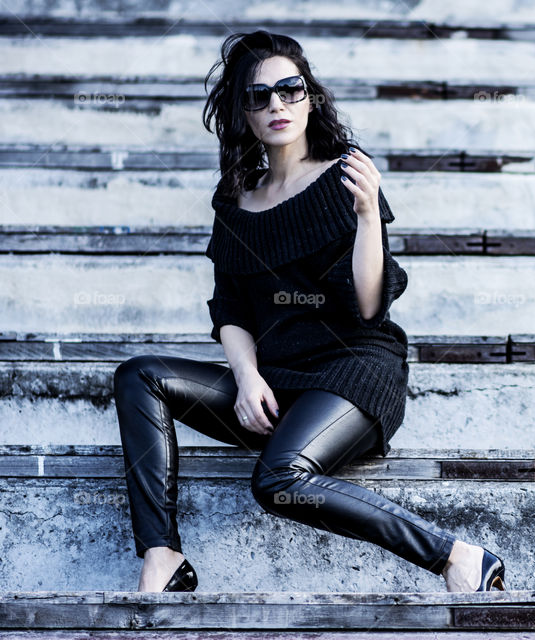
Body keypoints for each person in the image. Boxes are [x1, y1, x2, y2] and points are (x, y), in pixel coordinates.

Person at [113, 30, 506, 594]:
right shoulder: (235, 198)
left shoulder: (346, 175)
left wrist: (369, 216)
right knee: (140, 376)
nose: (276, 104)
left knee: (278, 479)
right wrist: (246, 379)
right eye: (259, 96)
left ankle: (456, 557)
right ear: (242, 113)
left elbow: (370, 307)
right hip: (275, 385)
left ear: (310, 99)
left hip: (351, 372)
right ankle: (162, 555)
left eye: (289, 89)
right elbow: (231, 308)